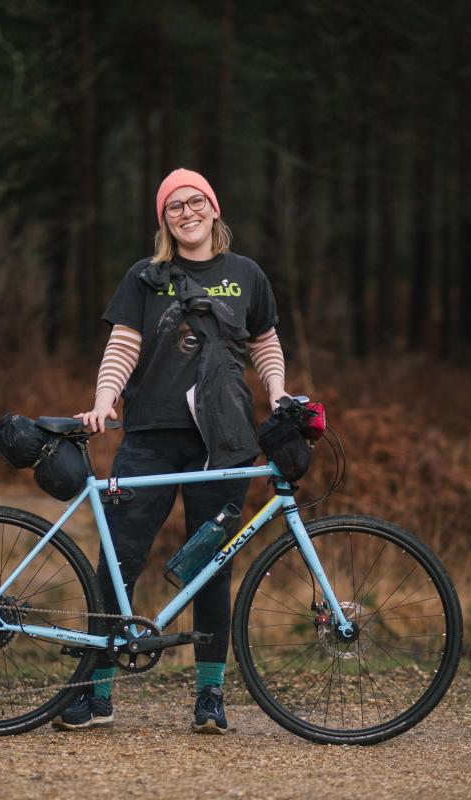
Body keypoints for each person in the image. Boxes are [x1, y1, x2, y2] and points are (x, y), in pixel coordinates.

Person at [54, 168, 289, 734]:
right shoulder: (146, 276)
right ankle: (96, 692)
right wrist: (104, 399)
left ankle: (210, 695)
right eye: (173, 207)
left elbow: (265, 343)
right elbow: (123, 344)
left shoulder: (246, 275)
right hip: (150, 437)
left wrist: (279, 393)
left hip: (225, 443)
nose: (187, 212)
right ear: (164, 220)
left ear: (213, 207)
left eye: (195, 202)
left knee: (213, 566)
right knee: (119, 560)